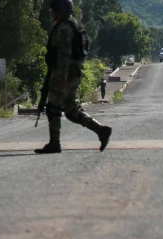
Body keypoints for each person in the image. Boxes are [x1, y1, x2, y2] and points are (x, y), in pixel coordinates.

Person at [36, 0, 112, 155]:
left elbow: (64, 54)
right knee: (72, 111)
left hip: (65, 74)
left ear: (60, 10)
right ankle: (101, 130)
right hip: (72, 73)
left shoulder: (64, 28)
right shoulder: (72, 24)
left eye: (54, 11)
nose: (52, 14)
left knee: (53, 107)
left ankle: (54, 144)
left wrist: (62, 77)